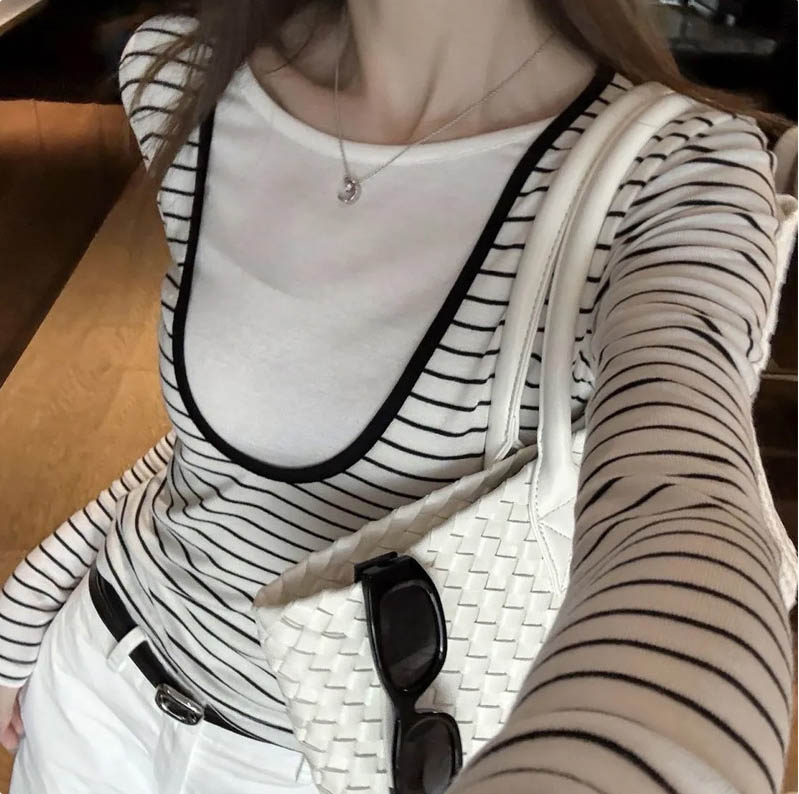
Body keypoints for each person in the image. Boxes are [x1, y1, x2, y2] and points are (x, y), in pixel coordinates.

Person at [0, 1, 793, 792]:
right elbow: (217, 465)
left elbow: (683, 507)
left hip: (330, 764)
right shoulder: (181, 75)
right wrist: (20, 617)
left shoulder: (679, 172)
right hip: (95, 694)